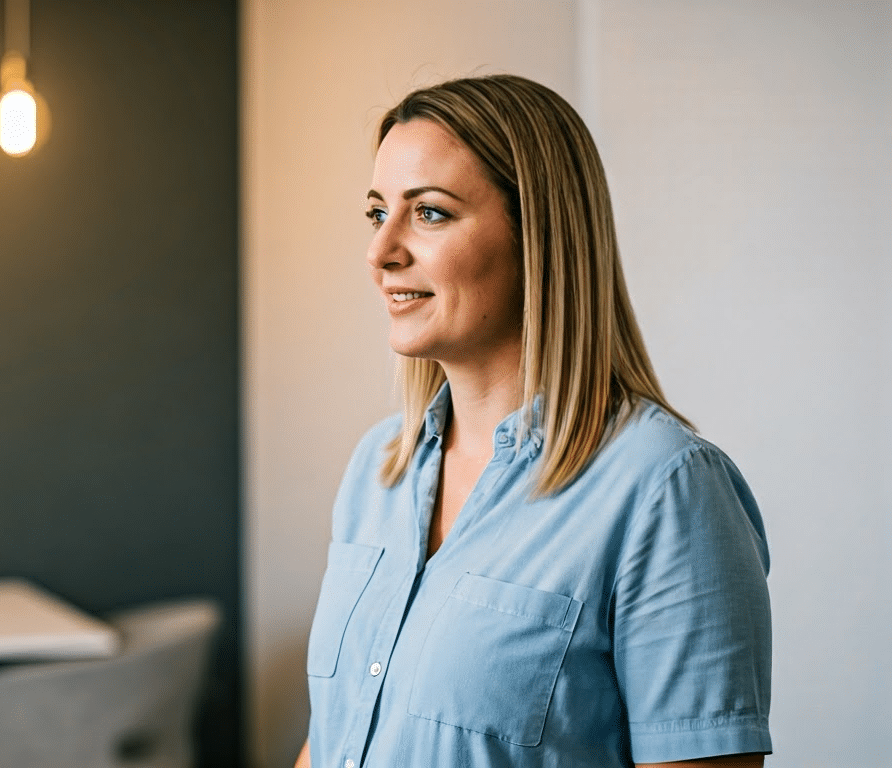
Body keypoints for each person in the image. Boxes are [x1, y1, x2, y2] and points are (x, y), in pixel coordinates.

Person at [296, 75, 772, 768]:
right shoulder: (378, 468)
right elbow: (334, 739)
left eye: (428, 214)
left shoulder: (665, 491)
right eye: (377, 214)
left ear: (539, 235)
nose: (382, 252)